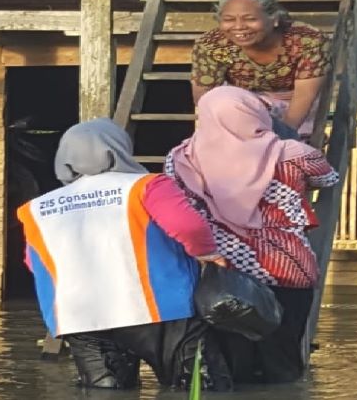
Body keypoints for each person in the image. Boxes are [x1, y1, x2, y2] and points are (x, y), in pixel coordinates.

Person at [17, 117, 232, 391]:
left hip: (80, 319)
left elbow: (35, 264)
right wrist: (208, 253)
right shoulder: (147, 186)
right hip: (161, 311)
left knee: (105, 393)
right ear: (119, 148)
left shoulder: (37, 208)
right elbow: (187, 226)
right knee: (199, 388)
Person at [165, 85, 339, 383]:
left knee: (229, 365)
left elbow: (178, 206)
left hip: (220, 272)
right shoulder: (295, 154)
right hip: (287, 268)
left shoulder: (180, 159)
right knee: (282, 362)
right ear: (255, 113)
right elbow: (327, 178)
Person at [191, 0, 332, 140]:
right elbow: (205, 97)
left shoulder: (307, 39)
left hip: (295, 105)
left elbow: (305, 95)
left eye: (250, 19)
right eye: (229, 20)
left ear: (275, 19)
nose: (238, 27)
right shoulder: (212, 44)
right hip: (243, 106)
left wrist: (283, 136)